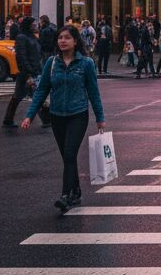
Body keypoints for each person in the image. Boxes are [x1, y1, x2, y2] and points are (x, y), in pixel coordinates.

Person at [22, 25, 105, 214]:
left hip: (78, 115)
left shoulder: (86, 64)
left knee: (69, 154)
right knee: (67, 157)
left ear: (75, 41)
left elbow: (93, 92)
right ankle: (75, 191)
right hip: (57, 116)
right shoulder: (52, 63)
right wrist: (29, 115)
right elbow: (42, 90)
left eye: (67, 37)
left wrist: (100, 118)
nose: (62, 41)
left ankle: (66, 195)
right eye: (60, 37)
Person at [3, 17, 49, 129]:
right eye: (33, 24)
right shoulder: (21, 38)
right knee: (38, 95)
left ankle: (8, 119)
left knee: (19, 96)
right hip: (27, 72)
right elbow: (21, 57)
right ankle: (47, 119)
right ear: (28, 25)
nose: (36, 26)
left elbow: (38, 54)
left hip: (34, 71)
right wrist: (29, 74)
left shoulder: (32, 37)